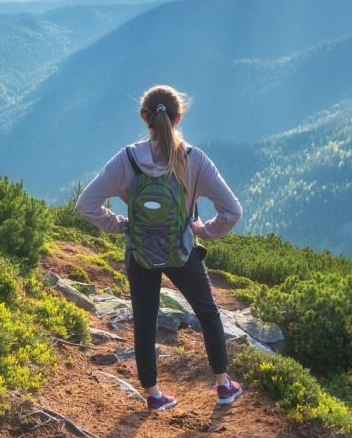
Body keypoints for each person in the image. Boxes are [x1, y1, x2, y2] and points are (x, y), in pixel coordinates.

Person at [75, 84, 243, 411]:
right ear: (178, 118)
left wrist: (122, 225)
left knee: (145, 319)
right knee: (207, 313)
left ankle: (153, 394)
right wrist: (204, 230)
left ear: (144, 117)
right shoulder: (195, 160)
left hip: (140, 254)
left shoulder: (127, 159)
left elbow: (86, 204)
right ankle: (223, 385)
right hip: (182, 252)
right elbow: (233, 211)